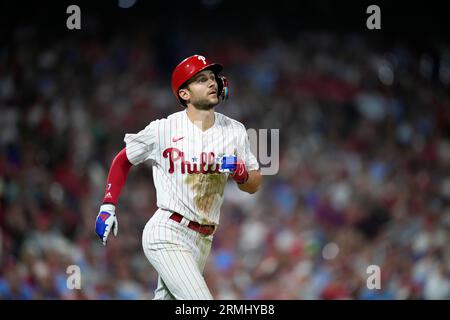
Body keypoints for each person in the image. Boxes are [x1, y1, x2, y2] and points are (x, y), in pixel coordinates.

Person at [95, 54, 262, 300]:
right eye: (201, 79)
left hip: (202, 240)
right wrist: (108, 205)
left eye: (212, 77)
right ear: (184, 94)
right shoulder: (163, 128)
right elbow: (123, 159)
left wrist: (241, 172)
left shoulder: (235, 131)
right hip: (168, 231)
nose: (212, 82)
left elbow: (254, 184)